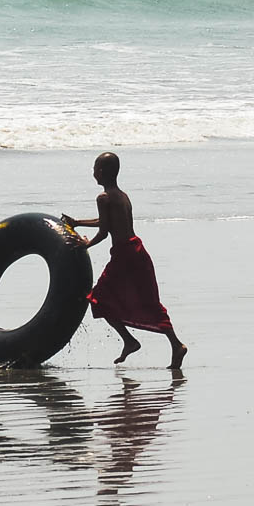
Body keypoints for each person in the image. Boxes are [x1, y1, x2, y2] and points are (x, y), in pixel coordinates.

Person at [61, 152, 189, 367]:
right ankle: (176, 345)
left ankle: (129, 340)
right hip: (137, 250)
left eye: (95, 168)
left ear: (100, 172)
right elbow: (107, 221)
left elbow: (104, 232)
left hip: (123, 255)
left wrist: (86, 245)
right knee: (149, 301)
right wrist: (78, 222)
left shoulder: (103, 198)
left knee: (98, 299)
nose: (93, 172)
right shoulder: (122, 195)